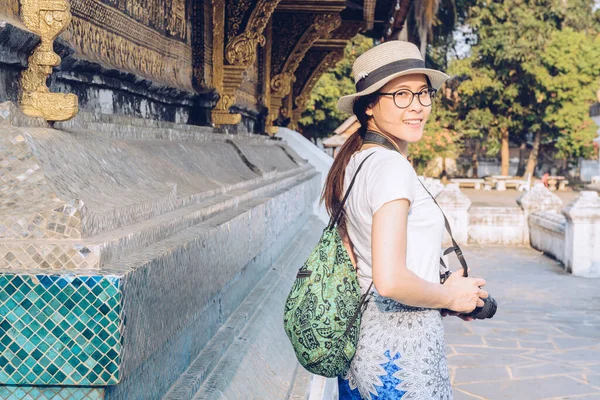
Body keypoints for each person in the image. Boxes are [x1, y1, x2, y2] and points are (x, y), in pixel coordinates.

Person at [322, 41, 488, 399]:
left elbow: (363, 261)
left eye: (422, 93)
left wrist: (440, 285)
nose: (416, 106)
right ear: (368, 106)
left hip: (365, 348)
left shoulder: (356, 162)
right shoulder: (391, 168)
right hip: (400, 355)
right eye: (400, 94)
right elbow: (391, 280)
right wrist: (449, 298)